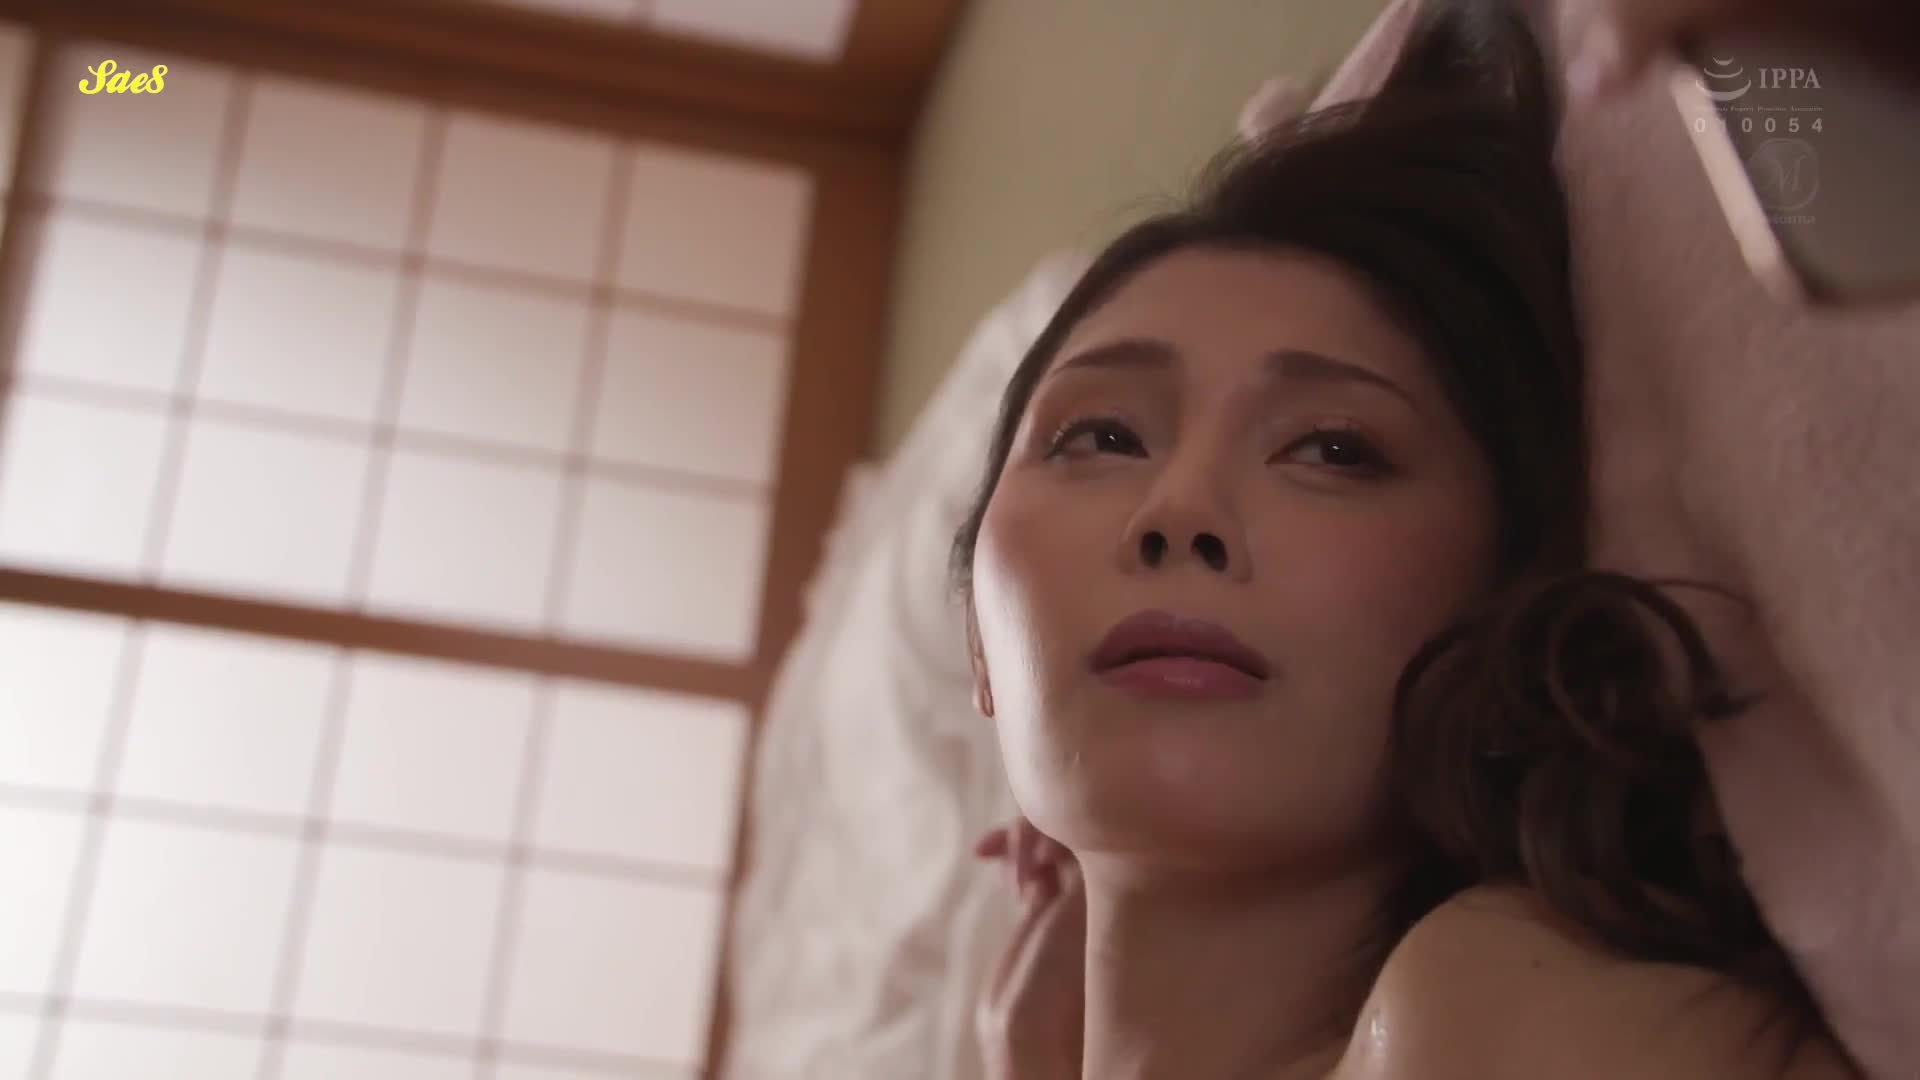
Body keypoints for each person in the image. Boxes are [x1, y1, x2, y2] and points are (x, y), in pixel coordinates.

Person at [950, 1, 1872, 1077]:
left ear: (1498, 600)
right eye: (1102, 436)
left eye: (1334, 450)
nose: (1181, 511)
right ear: (978, 646)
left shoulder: (1501, 1015)